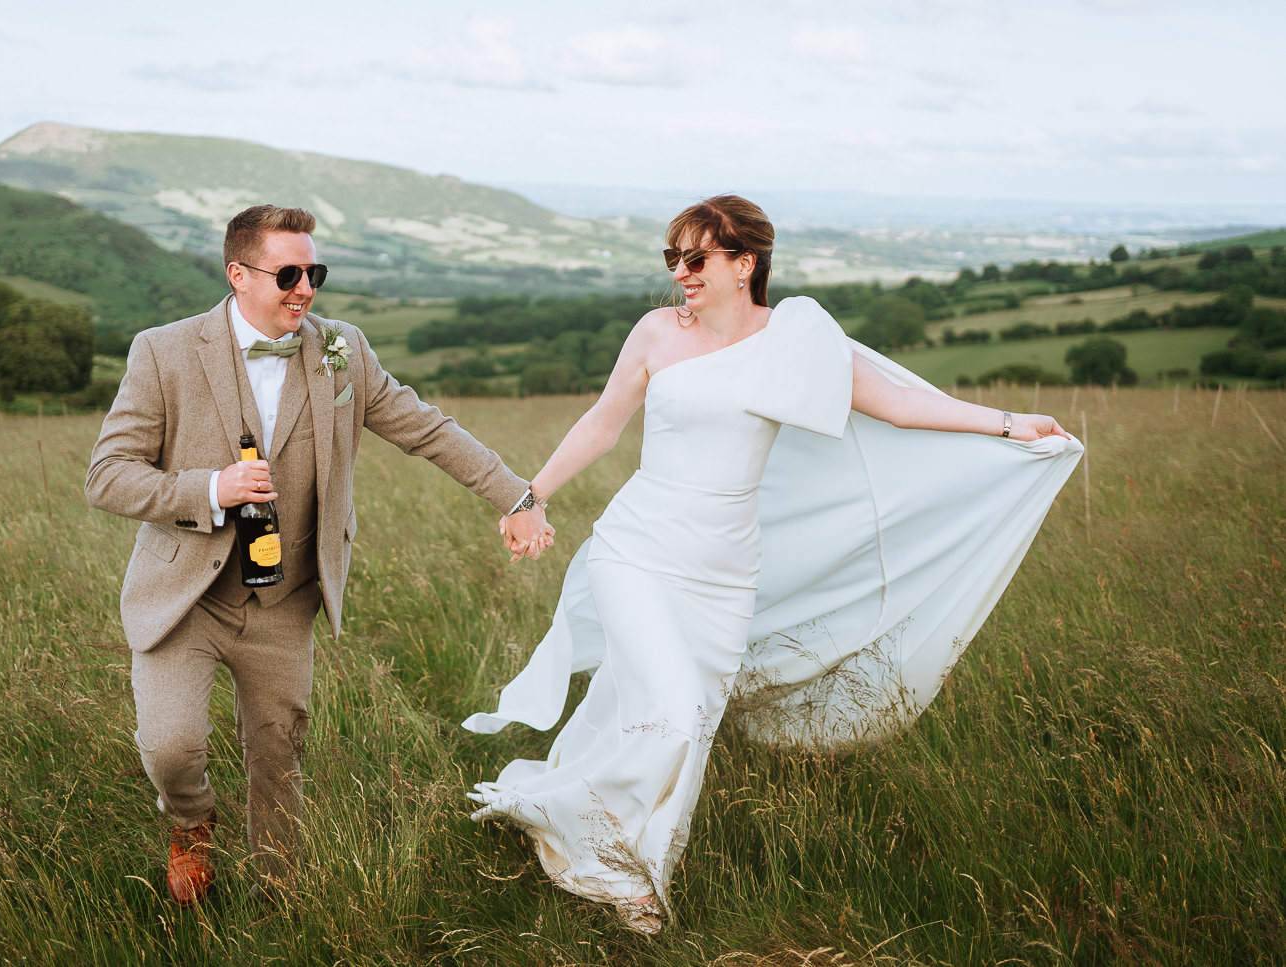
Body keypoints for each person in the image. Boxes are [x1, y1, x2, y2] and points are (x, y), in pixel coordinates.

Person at [467, 195, 1082, 934]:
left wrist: (1010, 425)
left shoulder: (795, 340)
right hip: (638, 548)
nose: (680, 272)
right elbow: (603, 423)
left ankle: (623, 839)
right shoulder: (656, 333)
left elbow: (897, 404)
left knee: (685, 720)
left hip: (725, 570)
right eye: (673, 258)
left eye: (696, 258)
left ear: (744, 263)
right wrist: (529, 496)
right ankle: (620, 871)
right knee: (670, 708)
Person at [85, 205, 552, 906]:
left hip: (285, 597)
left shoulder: (342, 349)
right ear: (238, 274)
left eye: (315, 273)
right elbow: (107, 475)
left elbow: (426, 429)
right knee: (171, 747)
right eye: (288, 274)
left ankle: (279, 899)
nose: (305, 289)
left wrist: (516, 497)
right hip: (186, 595)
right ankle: (189, 822)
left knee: (278, 755)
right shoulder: (163, 351)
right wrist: (210, 488)